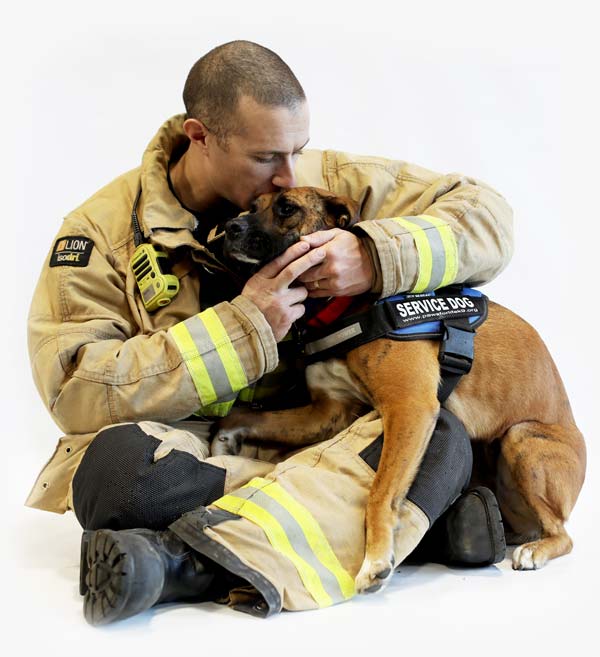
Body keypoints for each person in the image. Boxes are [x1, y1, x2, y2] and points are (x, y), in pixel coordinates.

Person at [27, 40, 513, 626]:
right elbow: (74, 391)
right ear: (200, 135)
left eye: (298, 150)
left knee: (440, 432)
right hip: (205, 451)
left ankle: (178, 560)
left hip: (324, 433)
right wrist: (242, 328)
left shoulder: (325, 181)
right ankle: (407, 524)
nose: (288, 175)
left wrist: (375, 253)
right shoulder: (99, 234)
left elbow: (489, 217)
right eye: (265, 157)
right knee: (113, 477)